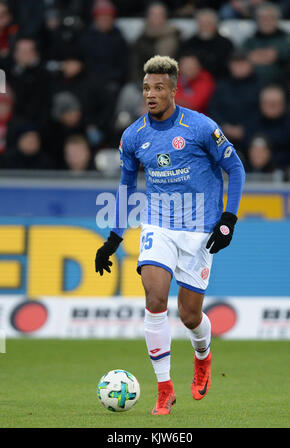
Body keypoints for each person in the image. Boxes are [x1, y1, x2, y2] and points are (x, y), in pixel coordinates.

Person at [94, 55, 245, 415]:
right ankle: (164, 388)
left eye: (159, 88)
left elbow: (234, 168)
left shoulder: (200, 127)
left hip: (199, 231)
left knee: (190, 316)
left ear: (174, 90)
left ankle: (203, 356)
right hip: (158, 225)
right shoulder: (133, 136)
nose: (151, 94)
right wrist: (114, 238)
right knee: (155, 297)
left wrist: (229, 219)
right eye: (146, 88)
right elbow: (127, 186)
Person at [180, 8, 234, 80]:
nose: (205, 26)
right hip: (192, 81)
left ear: (215, 25)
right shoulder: (188, 43)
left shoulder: (226, 44)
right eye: (202, 23)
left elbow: (229, 67)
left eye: (208, 23)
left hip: (219, 81)